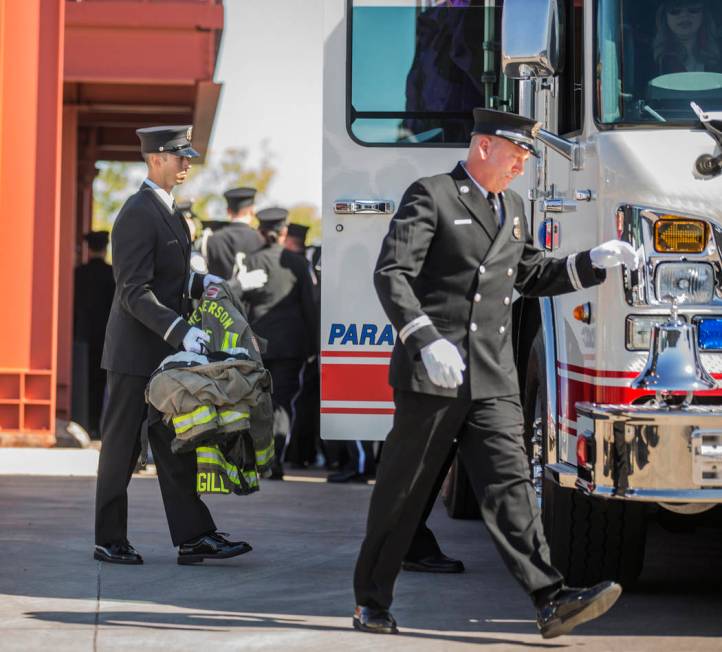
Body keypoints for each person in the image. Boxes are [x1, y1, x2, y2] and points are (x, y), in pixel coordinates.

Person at [352, 108, 638, 638]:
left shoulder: (512, 208)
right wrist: (423, 338)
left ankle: (550, 600)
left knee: (511, 489)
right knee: (403, 491)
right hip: (433, 376)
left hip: (492, 377)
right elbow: (392, 273)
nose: (522, 166)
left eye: (527, 157)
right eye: (517, 154)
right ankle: (371, 601)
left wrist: (592, 261)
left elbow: (530, 272)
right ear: (484, 147)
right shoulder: (431, 194)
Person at [95, 124, 251, 566]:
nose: (187, 165)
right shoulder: (137, 212)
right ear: (155, 158)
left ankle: (194, 536)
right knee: (122, 447)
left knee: (174, 442)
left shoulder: (170, 212)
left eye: (188, 158)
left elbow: (169, 278)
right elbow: (133, 291)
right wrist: (180, 331)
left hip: (164, 352)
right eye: (179, 157)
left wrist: (203, 283)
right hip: (135, 352)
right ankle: (109, 538)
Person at [243, 208, 318, 480]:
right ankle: (274, 461)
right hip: (291, 347)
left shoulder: (252, 261)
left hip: (257, 344)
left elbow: (240, 305)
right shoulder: (298, 264)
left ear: (261, 232)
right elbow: (311, 307)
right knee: (282, 403)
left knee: (258, 401)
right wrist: (313, 346)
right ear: (284, 231)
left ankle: (257, 458)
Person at [73, 231, 115, 437]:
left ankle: (82, 422)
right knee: (101, 382)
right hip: (105, 336)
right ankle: (98, 426)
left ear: (88, 249)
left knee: (82, 379)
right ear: (106, 249)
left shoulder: (78, 273)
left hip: (81, 335)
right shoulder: (112, 274)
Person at [204, 187, 264, 279]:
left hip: (220, 291)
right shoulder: (260, 238)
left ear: (228, 211)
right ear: (252, 211)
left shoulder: (212, 239)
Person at [654, 0, 720, 74]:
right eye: (675, 10)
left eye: (693, 9)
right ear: (664, 16)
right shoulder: (648, 58)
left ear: (704, 15)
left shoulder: (719, 51)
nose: (684, 16)